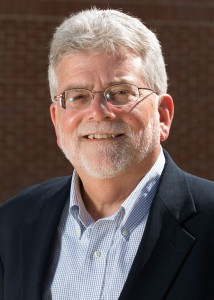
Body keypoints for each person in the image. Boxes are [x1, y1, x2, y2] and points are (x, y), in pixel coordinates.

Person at [0, 7, 214, 300]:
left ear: (163, 116)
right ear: (56, 120)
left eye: (121, 92)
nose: (98, 113)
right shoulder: (13, 222)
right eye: (78, 96)